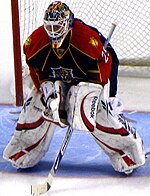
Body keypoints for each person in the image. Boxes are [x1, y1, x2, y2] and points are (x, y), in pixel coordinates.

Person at [3, 1, 145, 174]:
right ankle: (24, 150)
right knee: (38, 106)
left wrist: (107, 95)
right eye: (51, 26)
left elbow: (108, 63)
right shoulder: (35, 43)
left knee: (88, 112)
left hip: (90, 78)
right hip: (56, 80)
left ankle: (128, 151)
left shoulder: (86, 40)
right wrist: (47, 91)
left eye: (58, 26)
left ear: (68, 25)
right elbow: (37, 71)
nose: (54, 31)